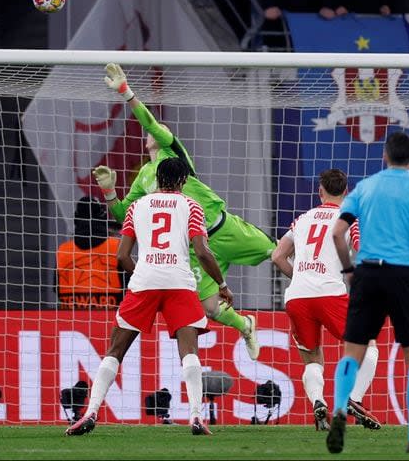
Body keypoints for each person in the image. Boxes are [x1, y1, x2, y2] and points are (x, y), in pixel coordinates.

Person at [94, 63, 276, 361]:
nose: (157, 129)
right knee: (209, 308)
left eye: (160, 128)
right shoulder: (143, 177)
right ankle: (246, 326)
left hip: (223, 229)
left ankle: (307, 289)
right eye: (155, 130)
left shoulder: (173, 153)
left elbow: (150, 122)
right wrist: (109, 191)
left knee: (277, 253)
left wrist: (127, 93)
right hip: (194, 245)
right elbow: (123, 215)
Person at [66, 158, 234, 437]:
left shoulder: (136, 206)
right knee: (189, 352)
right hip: (179, 282)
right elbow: (203, 252)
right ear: (182, 182)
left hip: (144, 281)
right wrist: (222, 284)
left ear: (157, 178)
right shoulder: (191, 206)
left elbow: (121, 256)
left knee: (115, 351)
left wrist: (142, 272)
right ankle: (195, 416)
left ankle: (91, 411)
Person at [325, 132, 409, 454]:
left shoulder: (364, 187)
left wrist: (349, 271)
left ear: (384, 156)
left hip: (366, 272)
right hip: (402, 274)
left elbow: (338, 234)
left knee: (353, 352)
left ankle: (338, 410)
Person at [271, 169, 381, 432]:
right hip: (330, 293)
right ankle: (353, 399)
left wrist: (298, 275)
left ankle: (318, 402)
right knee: (368, 345)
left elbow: (277, 256)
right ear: (346, 192)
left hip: (297, 296)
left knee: (312, 359)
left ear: (320, 191)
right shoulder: (349, 218)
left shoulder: (302, 219)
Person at [57, 197, 125, 309]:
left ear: (76, 220)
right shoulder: (117, 247)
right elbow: (133, 284)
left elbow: (56, 287)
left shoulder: (63, 250)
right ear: (103, 218)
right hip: (110, 318)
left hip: (70, 319)